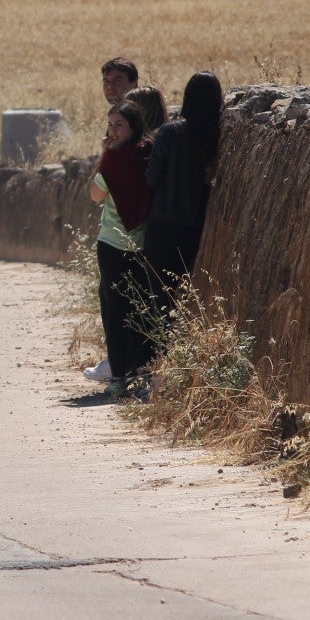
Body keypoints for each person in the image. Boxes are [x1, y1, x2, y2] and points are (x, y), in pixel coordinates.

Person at [83, 57, 146, 384]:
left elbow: (100, 189)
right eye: (106, 80)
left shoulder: (135, 122)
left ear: (133, 82)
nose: (111, 86)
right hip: (129, 232)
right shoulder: (125, 121)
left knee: (119, 302)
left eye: (117, 79)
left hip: (125, 234)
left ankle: (122, 367)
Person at [144, 70, 224, 301]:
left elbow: (152, 178)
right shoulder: (217, 136)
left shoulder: (170, 132)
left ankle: (162, 338)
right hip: (196, 226)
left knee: (160, 296)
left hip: (163, 225)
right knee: (184, 293)